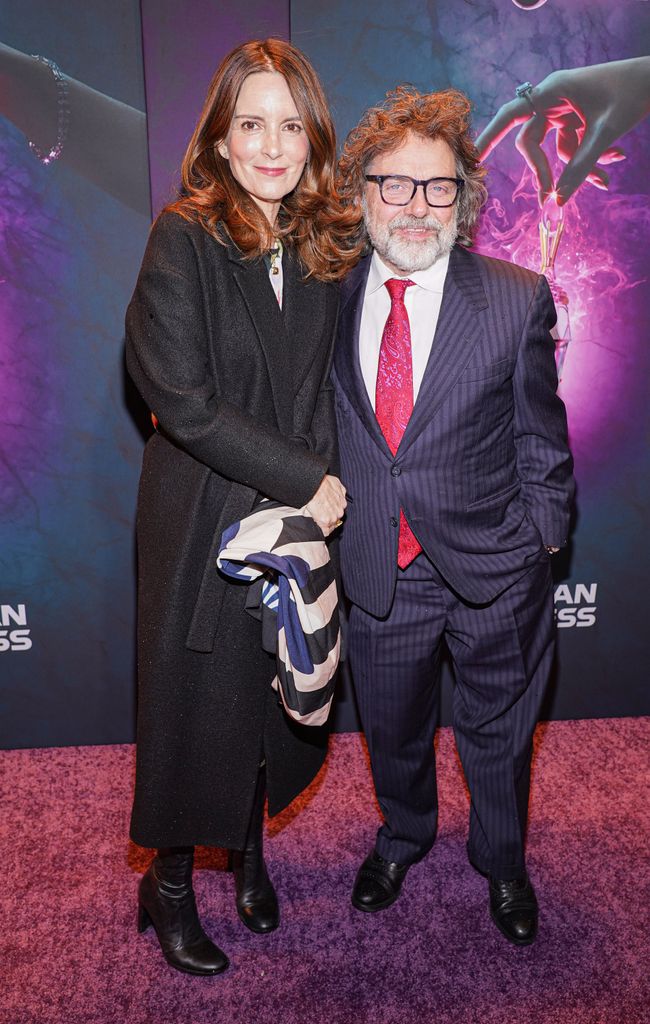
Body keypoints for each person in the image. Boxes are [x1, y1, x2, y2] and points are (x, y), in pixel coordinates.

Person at [125, 38, 358, 975]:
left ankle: (249, 854)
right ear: (220, 141)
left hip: (294, 520)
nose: (271, 145)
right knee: (192, 706)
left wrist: (319, 497)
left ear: (313, 138)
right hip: (203, 512)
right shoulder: (183, 234)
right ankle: (171, 883)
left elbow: (328, 389)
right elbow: (179, 399)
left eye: (290, 125)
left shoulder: (320, 248)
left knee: (270, 699)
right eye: (250, 124)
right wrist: (306, 478)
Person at [333, 86, 575, 946]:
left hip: (492, 569)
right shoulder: (326, 303)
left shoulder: (516, 298)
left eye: (437, 187)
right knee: (391, 727)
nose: (415, 204)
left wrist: (539, 542)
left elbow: (542, 440)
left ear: (463, 199)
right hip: (377, 568)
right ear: (360, 194)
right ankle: (402, 834)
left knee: (499, 735)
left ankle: (503, 861)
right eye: (393, 184)